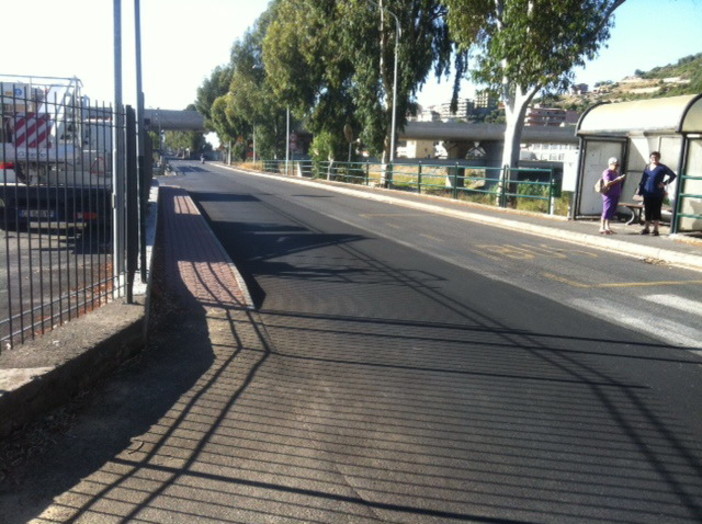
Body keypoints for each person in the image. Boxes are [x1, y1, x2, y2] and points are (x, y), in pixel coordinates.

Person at [637, 151, 676, 236]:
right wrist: (641, 190)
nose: (654, 159)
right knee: (647, 210)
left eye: (656, 157)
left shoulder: (662, 167)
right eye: (652, 157)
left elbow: (673, 175)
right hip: (647, 192)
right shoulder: (647, 167)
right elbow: (643, 179)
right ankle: (646, 228)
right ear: (650, 158)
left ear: (659, 158)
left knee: (656, 210)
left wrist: (664, 183)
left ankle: (655, 229)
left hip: (657, 193)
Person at [599, 157, 626, 235]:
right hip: (608, 194)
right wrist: (618, 179)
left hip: (615, 194)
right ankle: (602, 227)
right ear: (610, 164)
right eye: (615, 165)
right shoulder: (607, 172)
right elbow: (607, 183)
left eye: (618, 165)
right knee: (606, 210)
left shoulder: (615, 173)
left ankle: (607, 227)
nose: (617, 167)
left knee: (611, 210)